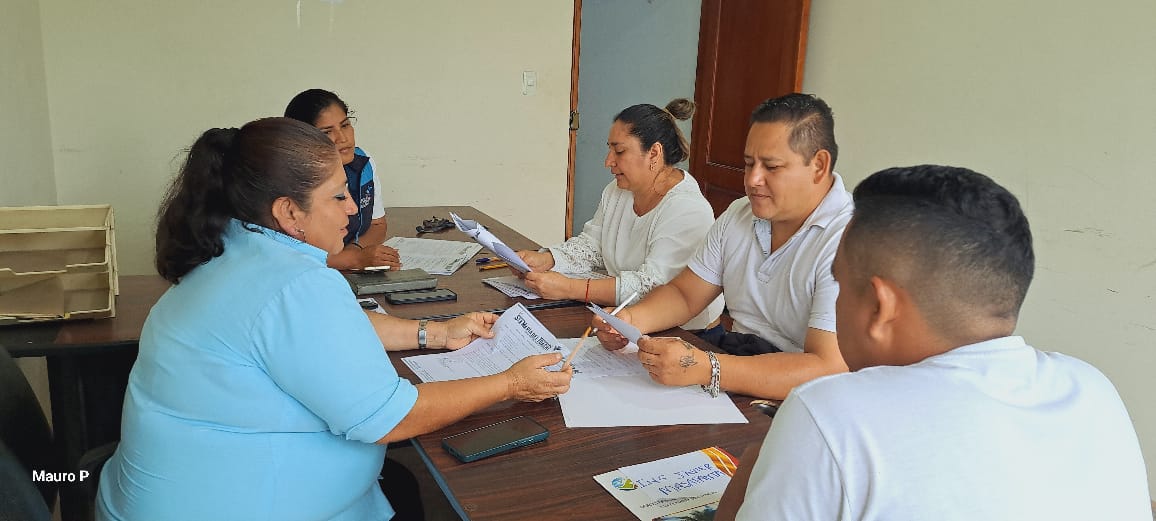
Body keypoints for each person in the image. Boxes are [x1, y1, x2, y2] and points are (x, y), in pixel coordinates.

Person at [96, 118, 572, 521]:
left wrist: (434, 332)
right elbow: (390, 418)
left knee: (405, 487)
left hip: (175, 496)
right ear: (289, 212)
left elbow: (325, 334)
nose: (351, 209)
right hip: (226, 505)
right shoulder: (295, 283)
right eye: (338, 196)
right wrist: (509, 384)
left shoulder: (232, 248)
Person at [716, 165, 1151, 520]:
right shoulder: (1092, 387)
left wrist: (745, 487)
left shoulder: (830, 413)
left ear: (881, 307)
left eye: (840, 285)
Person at [596, 93, 851, 400]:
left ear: (819, 165)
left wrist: (709, 367)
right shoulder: (740, 214)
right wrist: (630, 321)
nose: (752, 180)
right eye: (749, 164)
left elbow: (827, 368)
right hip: (739, 366)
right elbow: (685, 294)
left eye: (771, 167)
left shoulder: (849, 241)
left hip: (801, 398)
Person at [516, 99, 723, 330]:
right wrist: (547, 260)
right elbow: (593, 245)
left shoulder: (687, 208)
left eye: (620, 151)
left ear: (654, 153)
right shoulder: (617, 191)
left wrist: (569, 287)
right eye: (610, 149)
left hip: (687, 333)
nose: (608, 161)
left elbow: (652, 286)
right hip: (625, 319)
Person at [285, 88, 400, 270]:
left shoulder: (363, 163)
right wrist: (351, 260)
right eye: (327, 132)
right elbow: (286, 252)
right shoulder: (289, 178)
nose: (342, 138)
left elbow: (377, 224)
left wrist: (355, 250)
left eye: (345, 125)